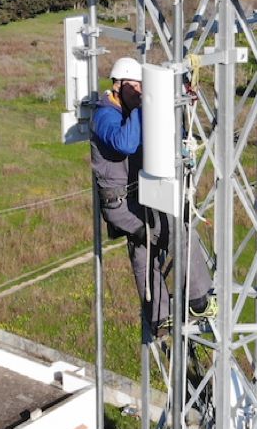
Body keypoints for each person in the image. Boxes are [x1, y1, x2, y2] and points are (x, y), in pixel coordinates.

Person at [90, 56, 216, 336]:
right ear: (118, 85)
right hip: (121, 203)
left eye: (140, 86)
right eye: (132, 86)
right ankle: (199, 299)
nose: (136, 91)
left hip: (137, 198)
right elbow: (125, 143)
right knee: (178, 233)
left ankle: (158, 317)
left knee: (143, 245)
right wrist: (145, 105)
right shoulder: (105, 115)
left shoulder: (126, 111)